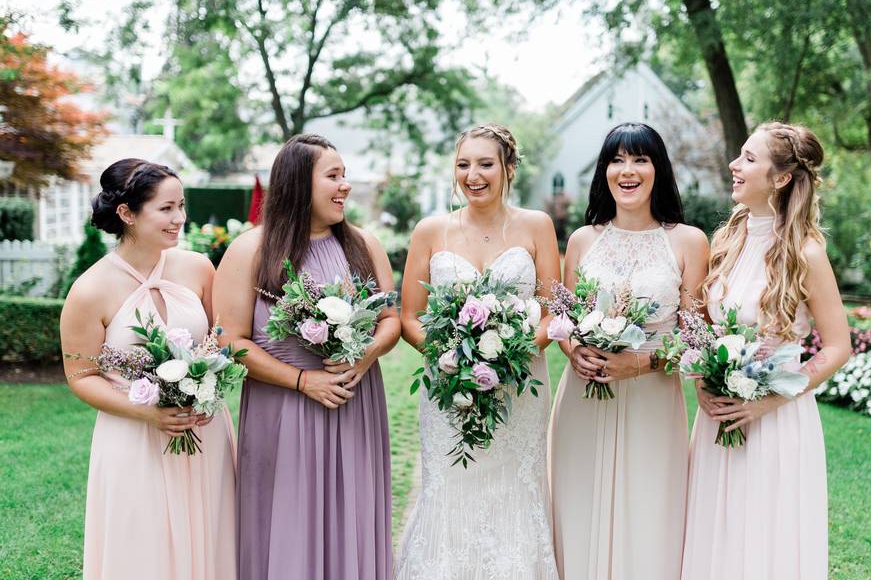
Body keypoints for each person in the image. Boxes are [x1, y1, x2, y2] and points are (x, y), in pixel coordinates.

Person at [215, 134, 399, 579]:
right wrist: (302, 381)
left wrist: (366, 354)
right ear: (299, 183)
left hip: (354, 405)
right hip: (283, 410)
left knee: (352, 513)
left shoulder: (364, 244)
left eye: (345, 175)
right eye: (332, 176)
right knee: (289, 521)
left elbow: (391, 318)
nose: (345, 186)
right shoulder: (251, 251)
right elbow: (229, 340)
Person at [681, 122, 852, 580]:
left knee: (763, 539)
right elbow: (700, 329)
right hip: (718, 418)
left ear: (780, 179)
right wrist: (702, 384)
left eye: (749, 159)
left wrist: (771, 401)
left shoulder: (806, 252)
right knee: (718, 532)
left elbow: (838, 346)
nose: (735, 166)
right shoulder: (727, 241)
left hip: (776, 421)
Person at [394, 124, 562, 579]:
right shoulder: (430, 231)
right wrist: (452, 358)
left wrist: (512, 352)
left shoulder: (537, 226)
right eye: (464, 164)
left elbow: (552, 311)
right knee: (450, 486)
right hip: (450, 387)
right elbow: (410, 315)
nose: (474, 175)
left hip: (520, 387)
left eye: (486, 164)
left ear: (508, 168)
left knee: (513, 488)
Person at [60, 159, 236, 579]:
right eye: (166, 209)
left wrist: (209, 384)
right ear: (127, 214)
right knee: (143, 547)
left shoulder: (198, 267)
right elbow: (80, 377)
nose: (180, 219)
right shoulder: (89, 290)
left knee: (212, 537)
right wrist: (148, 411)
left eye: (182, 205)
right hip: (133, 439)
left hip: (203, 431)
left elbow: (220, 339)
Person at [549, 123, 708, 579]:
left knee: (650, 512)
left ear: (658, 170)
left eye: (640, 159)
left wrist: (640, 363)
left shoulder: (689, 241)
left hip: (652, 401)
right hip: (584, 397)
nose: (628, 170)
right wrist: (573, 349)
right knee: (580, 505)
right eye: (617, 160)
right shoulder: (583, 240)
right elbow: (565, 320)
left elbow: (696, 337)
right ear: (604, 172)